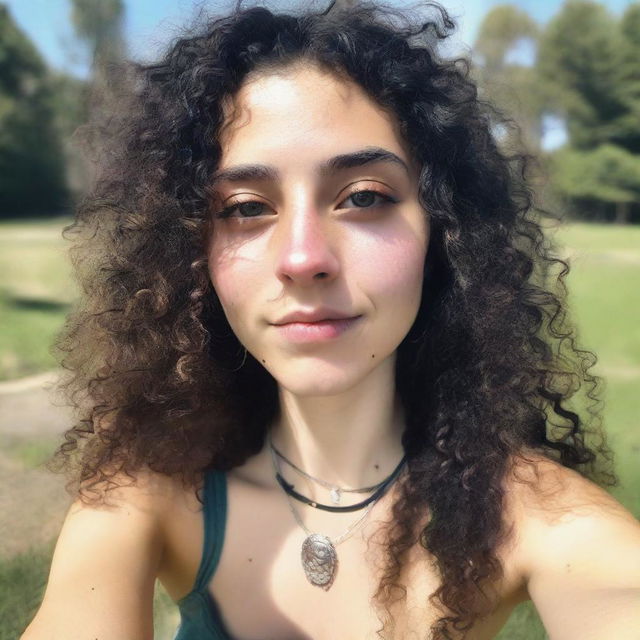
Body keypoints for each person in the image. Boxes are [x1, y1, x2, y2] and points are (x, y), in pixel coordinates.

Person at [21, 1, 640, 639]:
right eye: (244, 207)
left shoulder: (536, 518)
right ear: (188, 250)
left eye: (364, 197)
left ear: (444, 230)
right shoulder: (151, 492)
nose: (303, 259)